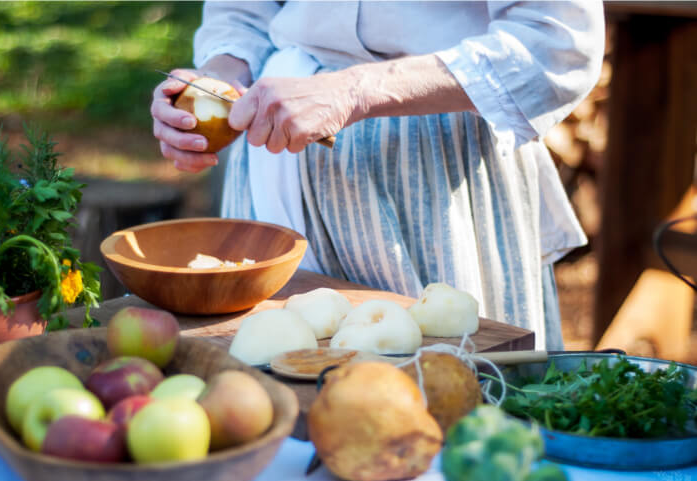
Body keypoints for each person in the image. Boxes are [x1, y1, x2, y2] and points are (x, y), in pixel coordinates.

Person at [150, 1, 605, 351]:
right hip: (275, 156)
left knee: (453, 392)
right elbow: (242, 11)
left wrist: (355, 90)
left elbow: (556, 43)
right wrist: (215, 82)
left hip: (436, 166)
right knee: (273, 392)